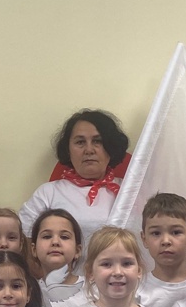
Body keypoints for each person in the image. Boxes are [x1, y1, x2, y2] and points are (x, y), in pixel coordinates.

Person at [19, 109, 129, 255]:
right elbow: (24, 246)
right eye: (80, 142)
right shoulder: (48, 193)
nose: (89, 150)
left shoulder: (131, 189)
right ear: (68, 150)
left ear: (112, 148)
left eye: (98, 141)